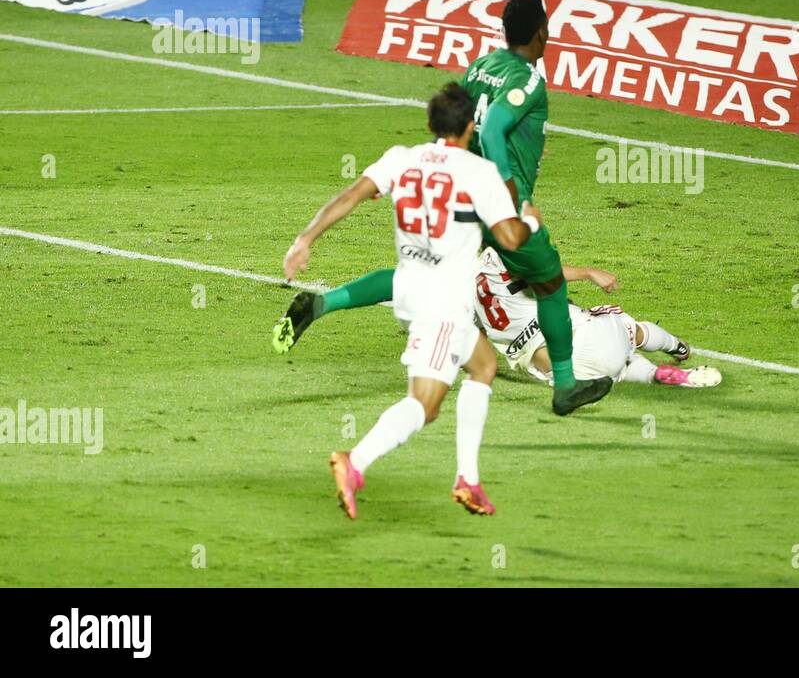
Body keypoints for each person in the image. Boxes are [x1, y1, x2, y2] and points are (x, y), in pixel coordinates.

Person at [281, 83, 542, 519]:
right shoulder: (478, 172)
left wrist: (304, 239)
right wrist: (530, 222)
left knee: (483, 366)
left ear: (430, 124)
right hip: (441, 303)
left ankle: (468, 479)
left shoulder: (402, 157)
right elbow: (511, 237)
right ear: (471, 127)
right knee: (425, 404)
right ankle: (355, 462)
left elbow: (350, 196)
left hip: (407, 287)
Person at [474, 248, 722, 388]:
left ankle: (652, 374)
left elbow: (476, 335)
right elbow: (540, 274)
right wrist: (588, 272)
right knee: (627, 327)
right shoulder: (500, 251)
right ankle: (676, 347)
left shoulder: (464, 284)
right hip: (584, 338)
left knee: (616, 369)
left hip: (560, 371)